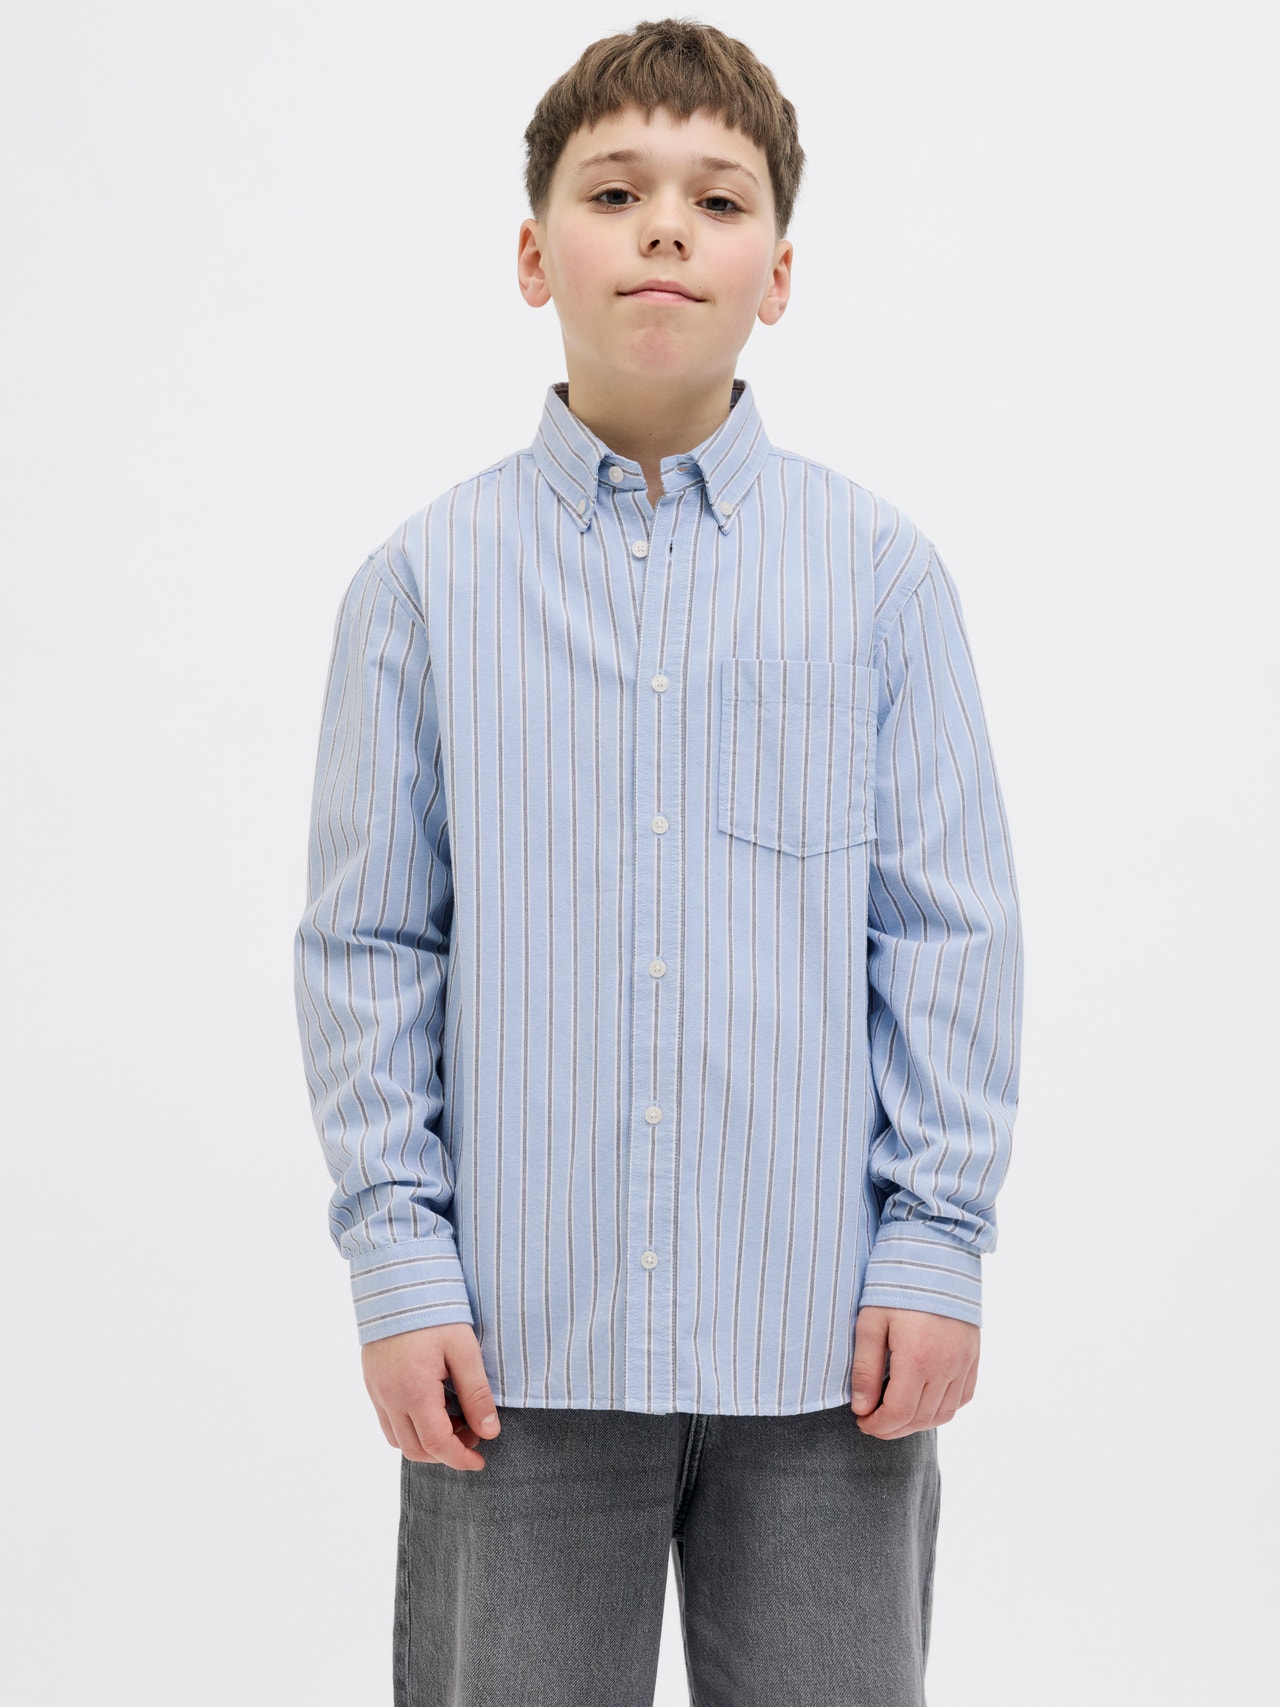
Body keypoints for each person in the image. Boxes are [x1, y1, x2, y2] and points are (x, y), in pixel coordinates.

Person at [292, 17, 1023, 1706]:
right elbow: (370, 948)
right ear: (534, 252)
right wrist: (398, 1264)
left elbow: (949, 933)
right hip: (513, 1356)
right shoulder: (422, 588)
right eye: (617, 192)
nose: (668, 229)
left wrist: (936, 1245)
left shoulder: (879, 579)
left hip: (824, 1354)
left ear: (781, 272)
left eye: (720, 197)